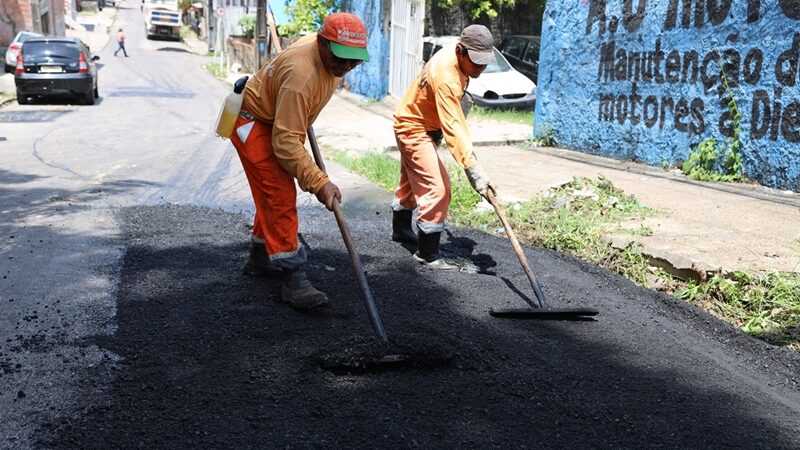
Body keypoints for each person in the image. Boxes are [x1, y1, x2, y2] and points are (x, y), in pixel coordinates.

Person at [231, 12, 369, 309]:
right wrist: (319, 182)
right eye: (341, 58)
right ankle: (293, 279)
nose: (346, 66)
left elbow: (290, 130)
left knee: (272, 192)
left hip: (277, 119)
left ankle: (259, 258)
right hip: (253, 122)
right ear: (321, 43)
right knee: (279, 194)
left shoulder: (325, 60)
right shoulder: (300, 76)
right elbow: (285, 143)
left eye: (354, 61)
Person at [390, 24, 497, 271]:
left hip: (419, 121)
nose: (481, 69)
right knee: (437, 188)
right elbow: (454, 128)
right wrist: (474, 170)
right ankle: (427, 253)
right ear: (460, 51)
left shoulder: (452, 54)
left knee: (411, 182)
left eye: (484, 63)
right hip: (413, 128)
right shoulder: (447, 78)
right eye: (477, 63)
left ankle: (401, 230)